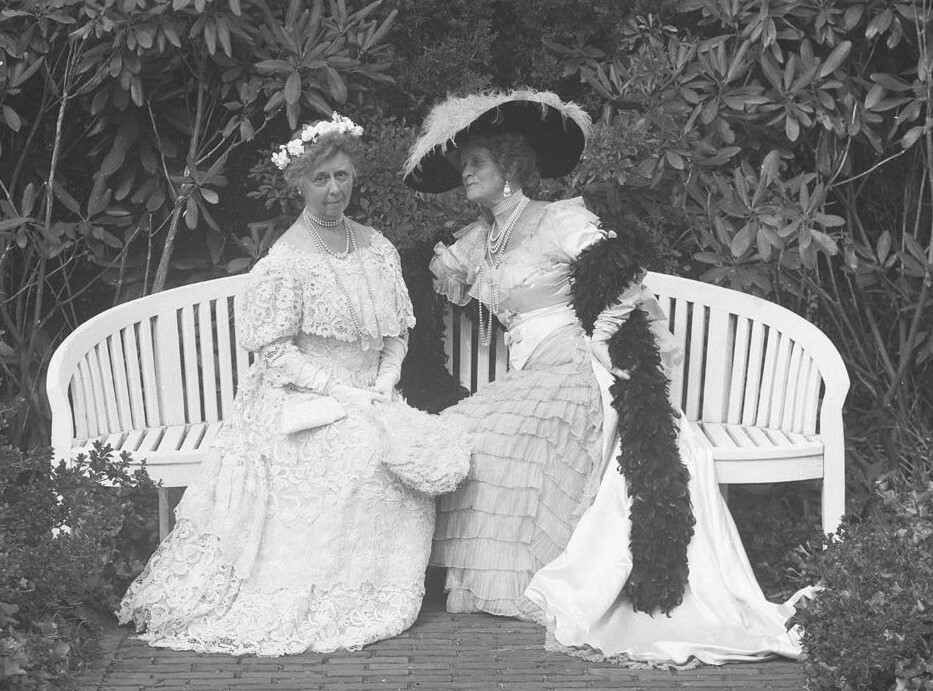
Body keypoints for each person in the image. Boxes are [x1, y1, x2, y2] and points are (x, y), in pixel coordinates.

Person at [403, 90, 806, 666]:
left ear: (512, 166)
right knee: (459, 428)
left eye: (477, 161)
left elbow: (615, 269)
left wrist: (602, 334)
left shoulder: (557, 219)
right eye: (461, 162)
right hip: (530, 373)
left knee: (494, 434)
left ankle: (533, 579)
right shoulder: (476, 241)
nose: (464, 171)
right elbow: (428, 275)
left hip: (576, 367)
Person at [118, 113, 471, 656]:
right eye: (321, 179)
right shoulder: (285, 261)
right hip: (301, 399)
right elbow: (276, 354)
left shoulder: (377, 248)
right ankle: (325, 595)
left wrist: (385, 377)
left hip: (370, 391)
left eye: (343, 176)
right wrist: (343, 393)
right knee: (363, 450)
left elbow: (396, 331)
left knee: (412, 449)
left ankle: (377, 588)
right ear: (300, 185)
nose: (334, 189)